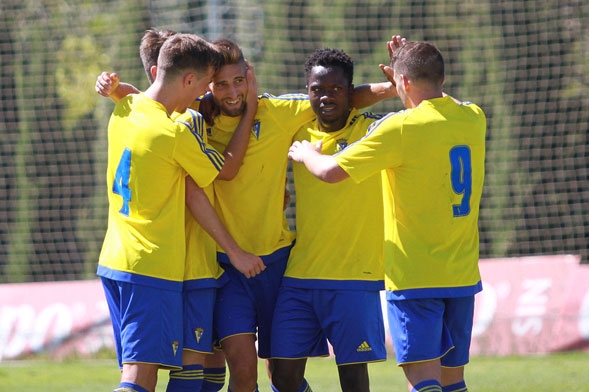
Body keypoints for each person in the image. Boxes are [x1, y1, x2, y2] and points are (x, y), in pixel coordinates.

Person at [97, 37, 395, 392]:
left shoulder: (278, 111)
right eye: (221, 84)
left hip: (276, 262)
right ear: (206, 86)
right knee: (241, 367)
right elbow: (219, 166)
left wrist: (393, 88)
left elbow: (333, 96)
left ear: (250, 76)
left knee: (283, 376)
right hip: (225, 265)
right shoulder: (194, 120)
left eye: (239, 81)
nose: (232, 91)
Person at [288, 36, 487, 392]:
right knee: (453, 382)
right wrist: (406, 70)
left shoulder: (399, 128)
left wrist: (305, 154)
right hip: (462, 274)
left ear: (403, 82)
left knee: (423, 381)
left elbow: (330, 172)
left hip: (415, 278)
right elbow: (443, 96)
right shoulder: (473, 117)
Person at [97, 33, 265, 392]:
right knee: (139, 378)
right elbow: (217, 177)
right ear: (189, 79)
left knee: (145, 371)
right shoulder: (174, 135)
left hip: (114, 262)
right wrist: (235, 252)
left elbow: (131, 95)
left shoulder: (124, 109)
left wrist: (116, 88)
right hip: (150, 268)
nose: (204, 95)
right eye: (204, 85)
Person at [270, 48, 388, 392]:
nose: (325, 97)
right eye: (317, 89)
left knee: (352, 379)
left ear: (351, 94)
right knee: (282, 376)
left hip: (354, 276)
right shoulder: (297, 132)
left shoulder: (373, 132)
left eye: (336, 89)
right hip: (300, 275)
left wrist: (393, 87)